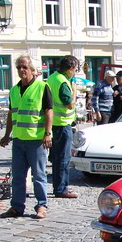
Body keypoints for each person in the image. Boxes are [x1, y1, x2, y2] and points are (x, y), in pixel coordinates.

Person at [0, 55, 53, 219]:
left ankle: (41, 205)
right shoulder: (14, 90)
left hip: (36, 140)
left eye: (25, 67)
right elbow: (11, 113)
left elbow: (49, 111)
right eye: (19, 67)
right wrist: (7, 135)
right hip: (19, 140)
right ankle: (16, 207)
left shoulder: (42, 87)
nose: (21, 70)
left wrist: (48, 133)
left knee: (39, 175)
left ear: (32, 70)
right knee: (18, 177)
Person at [46, 55, 80, 199]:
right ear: (70, 68)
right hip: (62, 124)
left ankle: (59, 185)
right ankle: (61, 188)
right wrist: (74, 91)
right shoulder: (63, 82)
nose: (75, 72)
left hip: (54, 123)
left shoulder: (52, 77)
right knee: (63, 158)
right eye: (75, 69)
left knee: (56, 158)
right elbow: (69, 103)